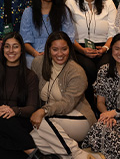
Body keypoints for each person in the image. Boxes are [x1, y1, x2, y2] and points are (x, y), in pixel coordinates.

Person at [29, 31, 96, 159]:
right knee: (32, 137)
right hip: (53, 120)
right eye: (55, 49)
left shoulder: (76, 71)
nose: (60, 54)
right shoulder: (38, 63)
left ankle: (78, 154)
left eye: (64, 49)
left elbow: (67, 104)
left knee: (42, 123)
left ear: (69, 49)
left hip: (79, 118)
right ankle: (76, 155)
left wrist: (44, 111)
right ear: (49, 50)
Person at [66, 0, 118, 108]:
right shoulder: (71, 2)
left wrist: (105, 48)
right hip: (78, 47)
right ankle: (89, 106)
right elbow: (68, 32)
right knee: (88, 68)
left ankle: (105, 106)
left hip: (104, 46)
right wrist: (82, 50)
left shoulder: (109, 3)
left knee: (105, 68)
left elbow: (113, 30)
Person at [0, 32, 40, 159]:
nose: (11, 50)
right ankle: (34, 154)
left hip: (19, 121)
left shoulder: (30, 76)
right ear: (2, 49)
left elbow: (32, 107)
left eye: (15, 46)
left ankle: (32, 152)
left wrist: (14, 111)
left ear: (21, 50)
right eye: (7, 46)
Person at [21, 0, 74, 67]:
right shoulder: (28, 12)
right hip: (34, 54)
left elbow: (69, 38)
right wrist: (36, 54)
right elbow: (25, 41)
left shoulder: (63, 11)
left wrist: (54, 53)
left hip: (59, 53)